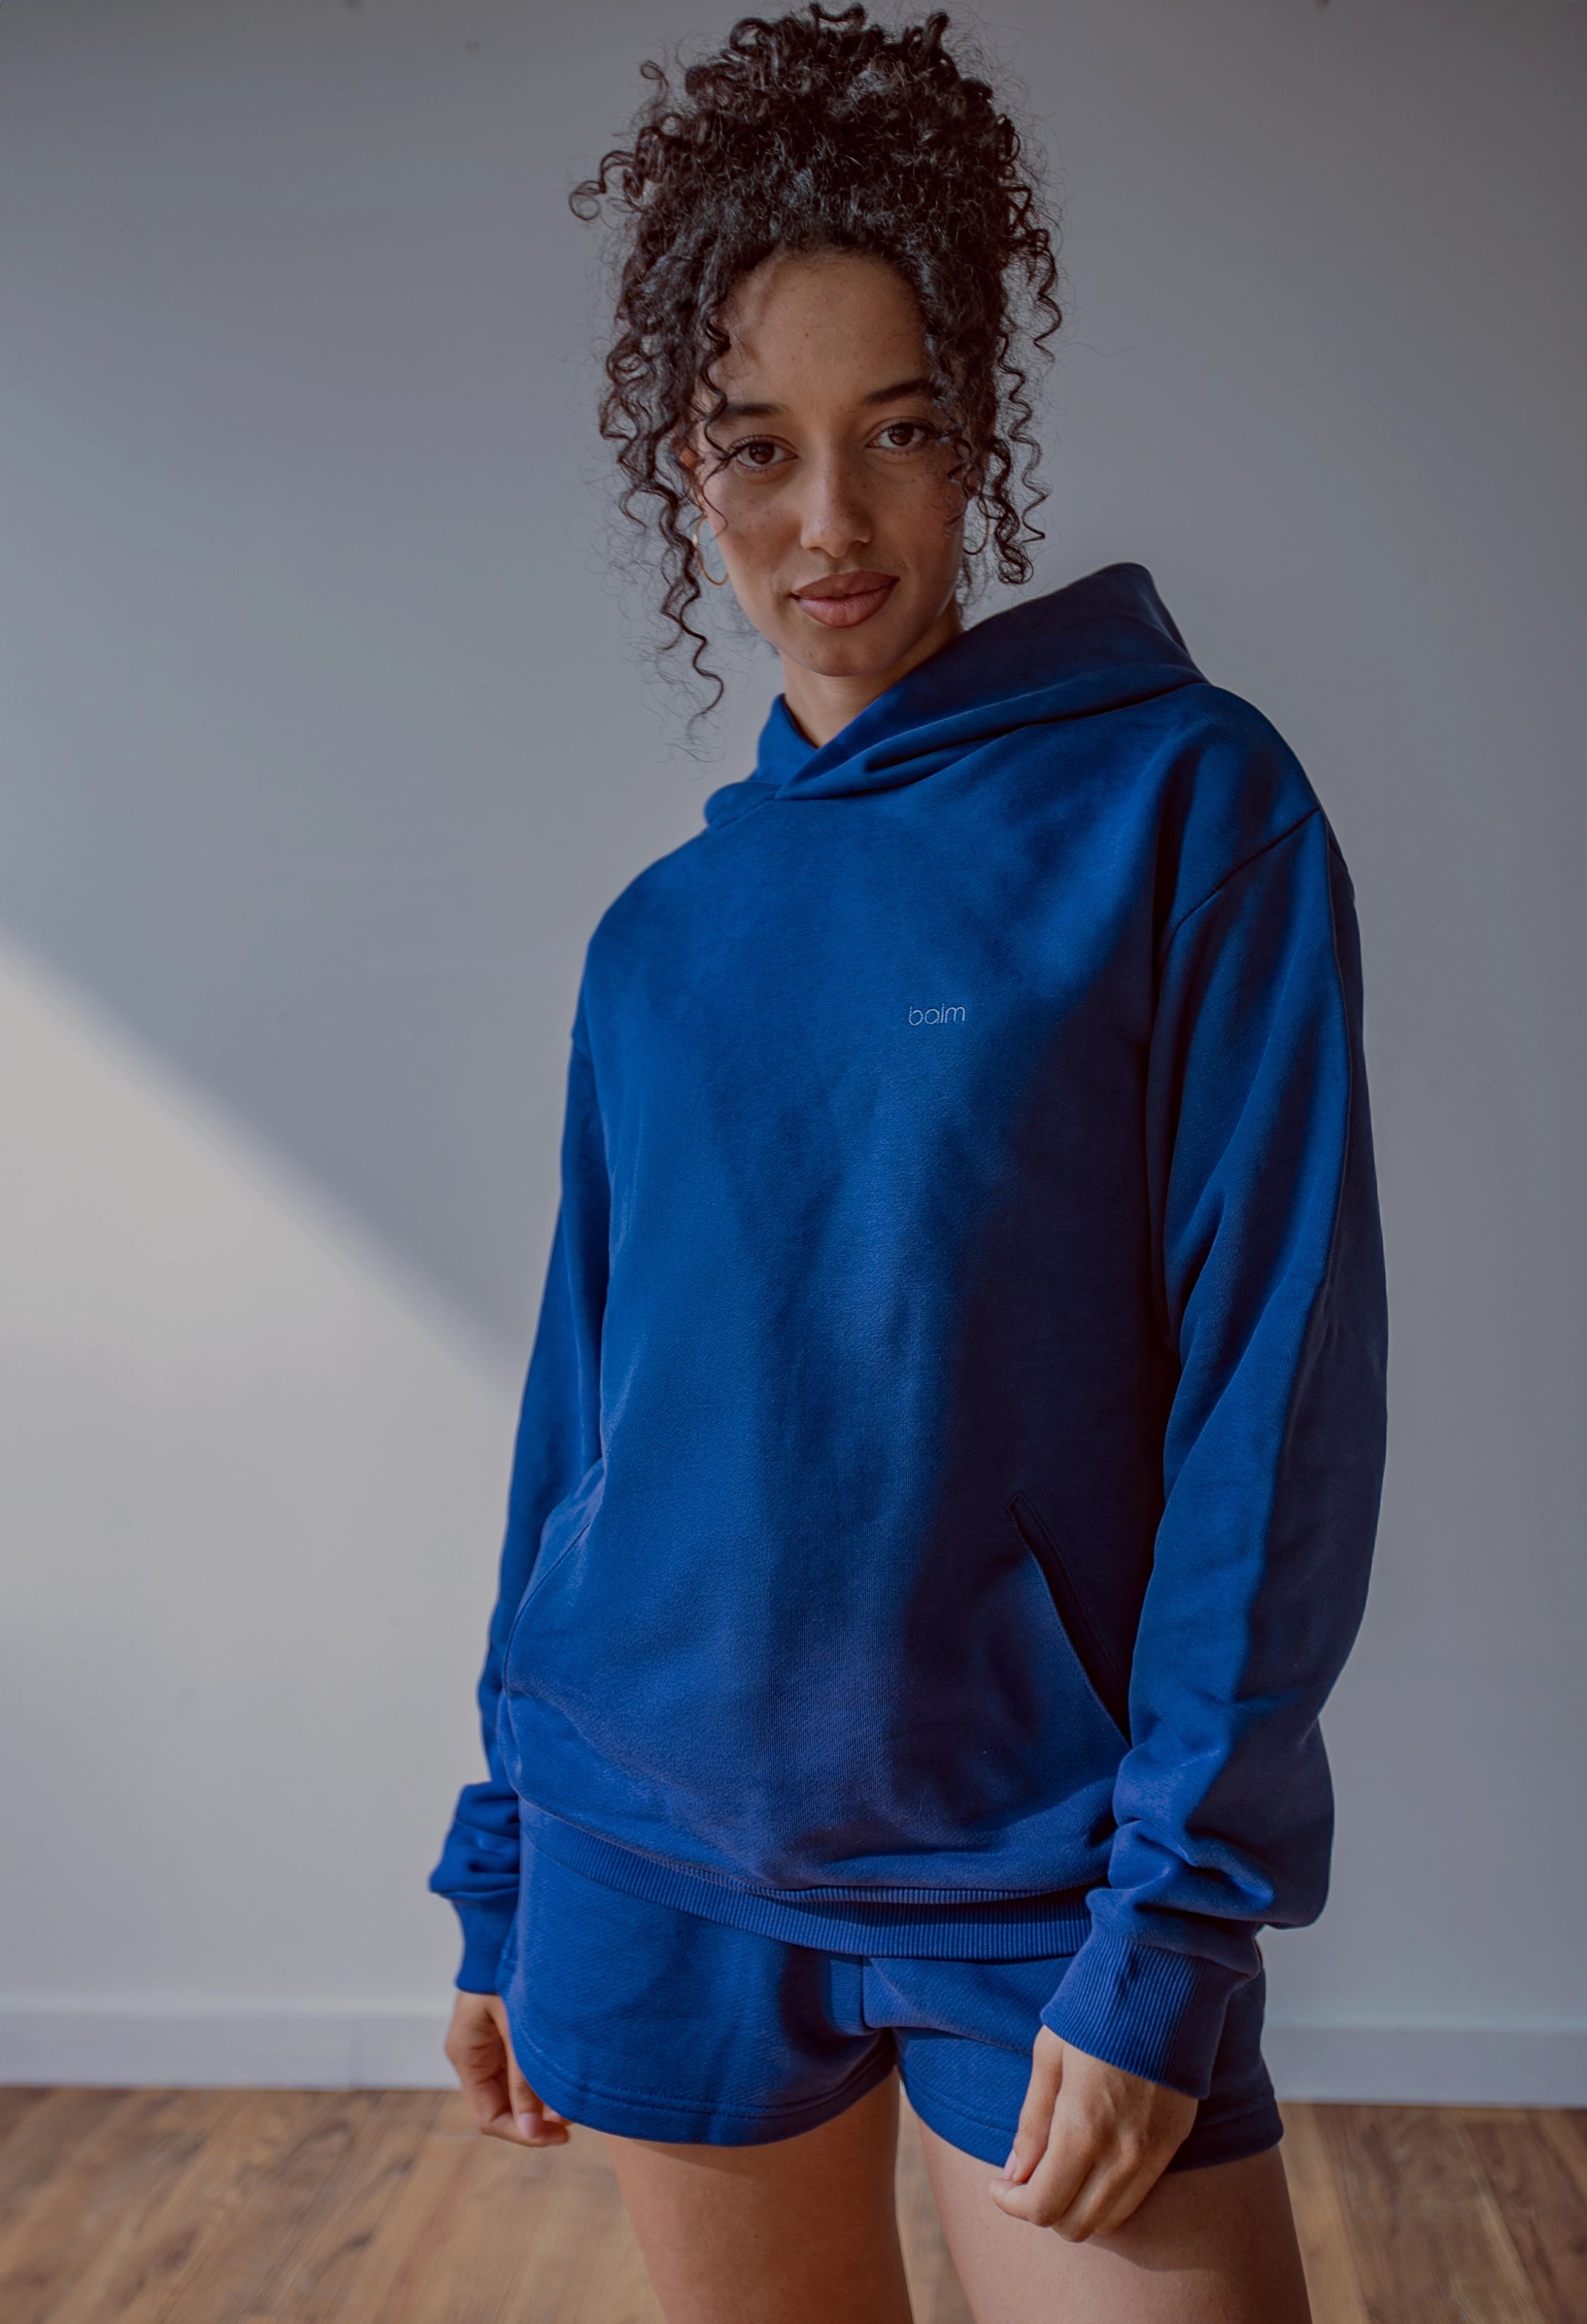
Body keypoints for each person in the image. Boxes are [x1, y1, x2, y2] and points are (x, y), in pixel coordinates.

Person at [429, 9, 1386, 2319]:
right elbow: (581, 1422)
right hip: (649, 1855)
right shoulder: (661, 935)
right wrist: (502, 1860)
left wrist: (1173, 1911)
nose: (827, 526)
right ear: (687, 472)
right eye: (757, 452)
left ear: (981, 447)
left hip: (1037, 1874)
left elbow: (1271, 1388)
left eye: (896, 436)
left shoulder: (1185, 809)